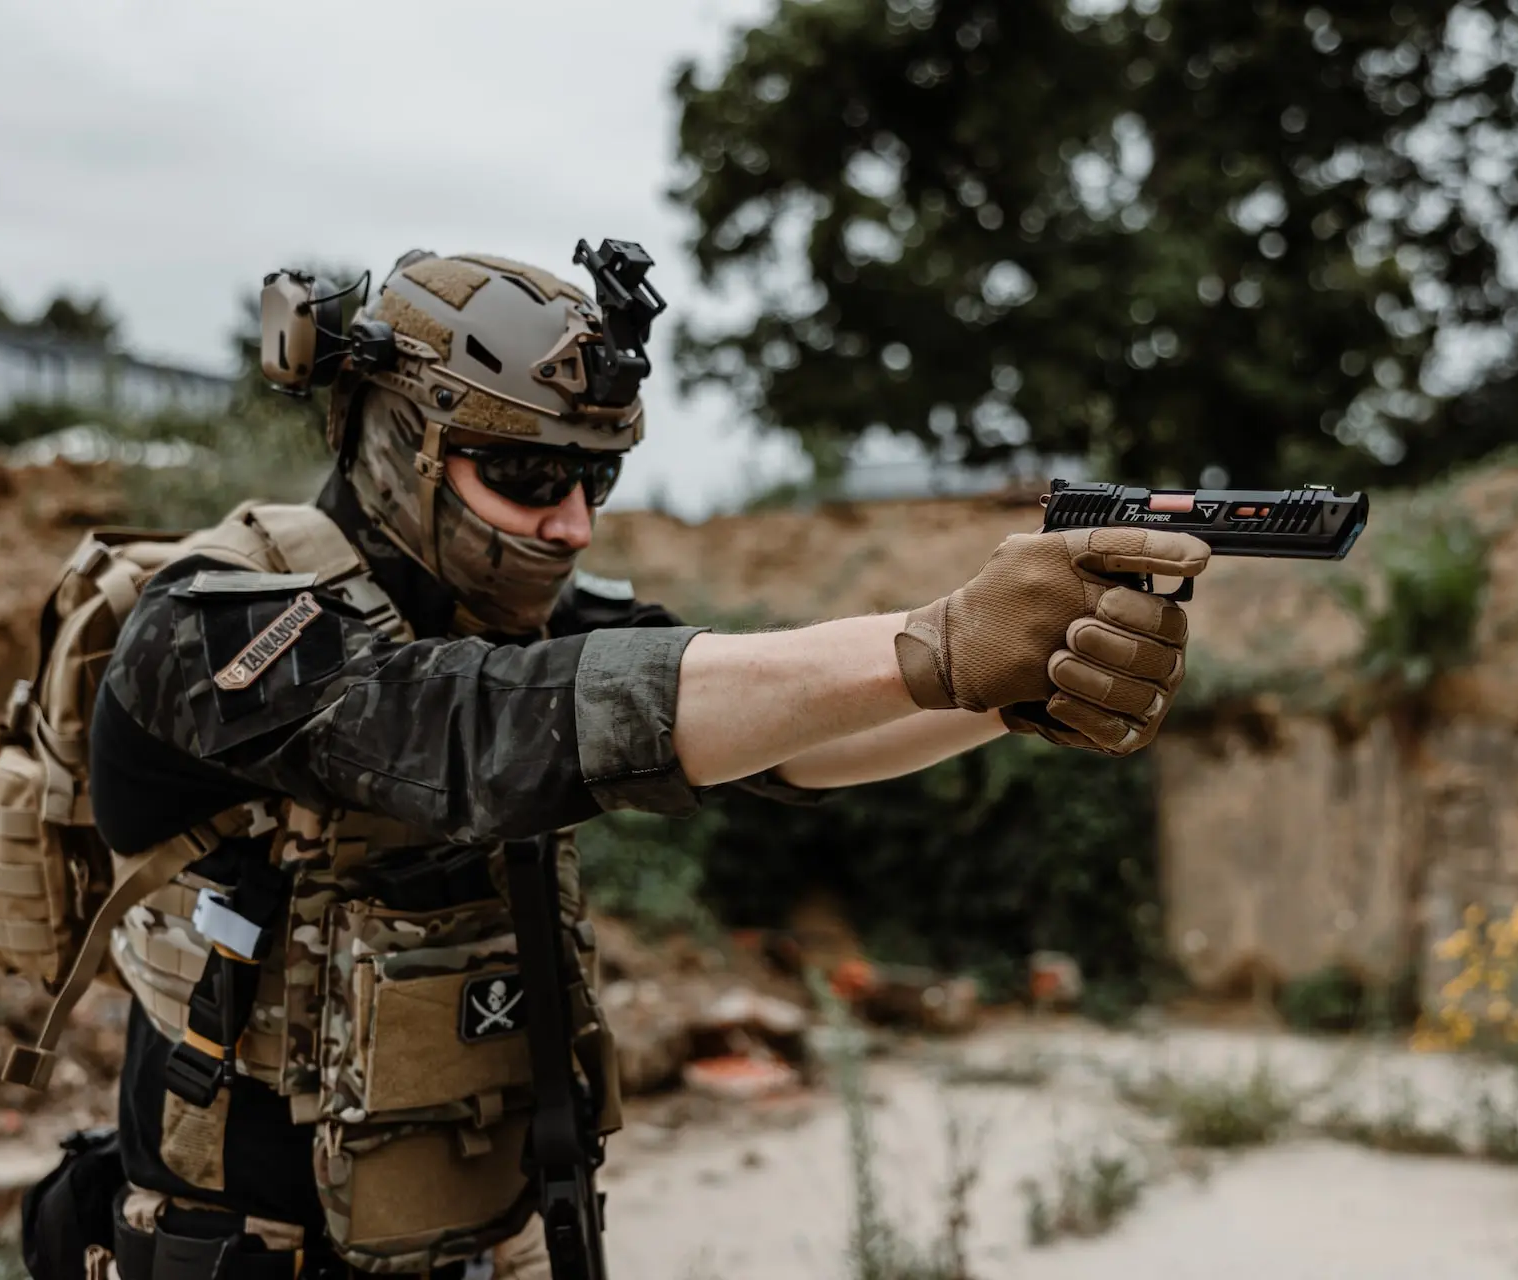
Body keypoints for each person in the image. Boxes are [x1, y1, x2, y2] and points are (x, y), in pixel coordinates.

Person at [60, 243, 1207, 1279]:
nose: (573, 527)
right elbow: (465, 729)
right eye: (527, 475)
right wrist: (932, 644)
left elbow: (779, 736)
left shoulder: (539, 623)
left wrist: (1002, 689)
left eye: (593, 479)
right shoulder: (209, 625)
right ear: (398, 436)